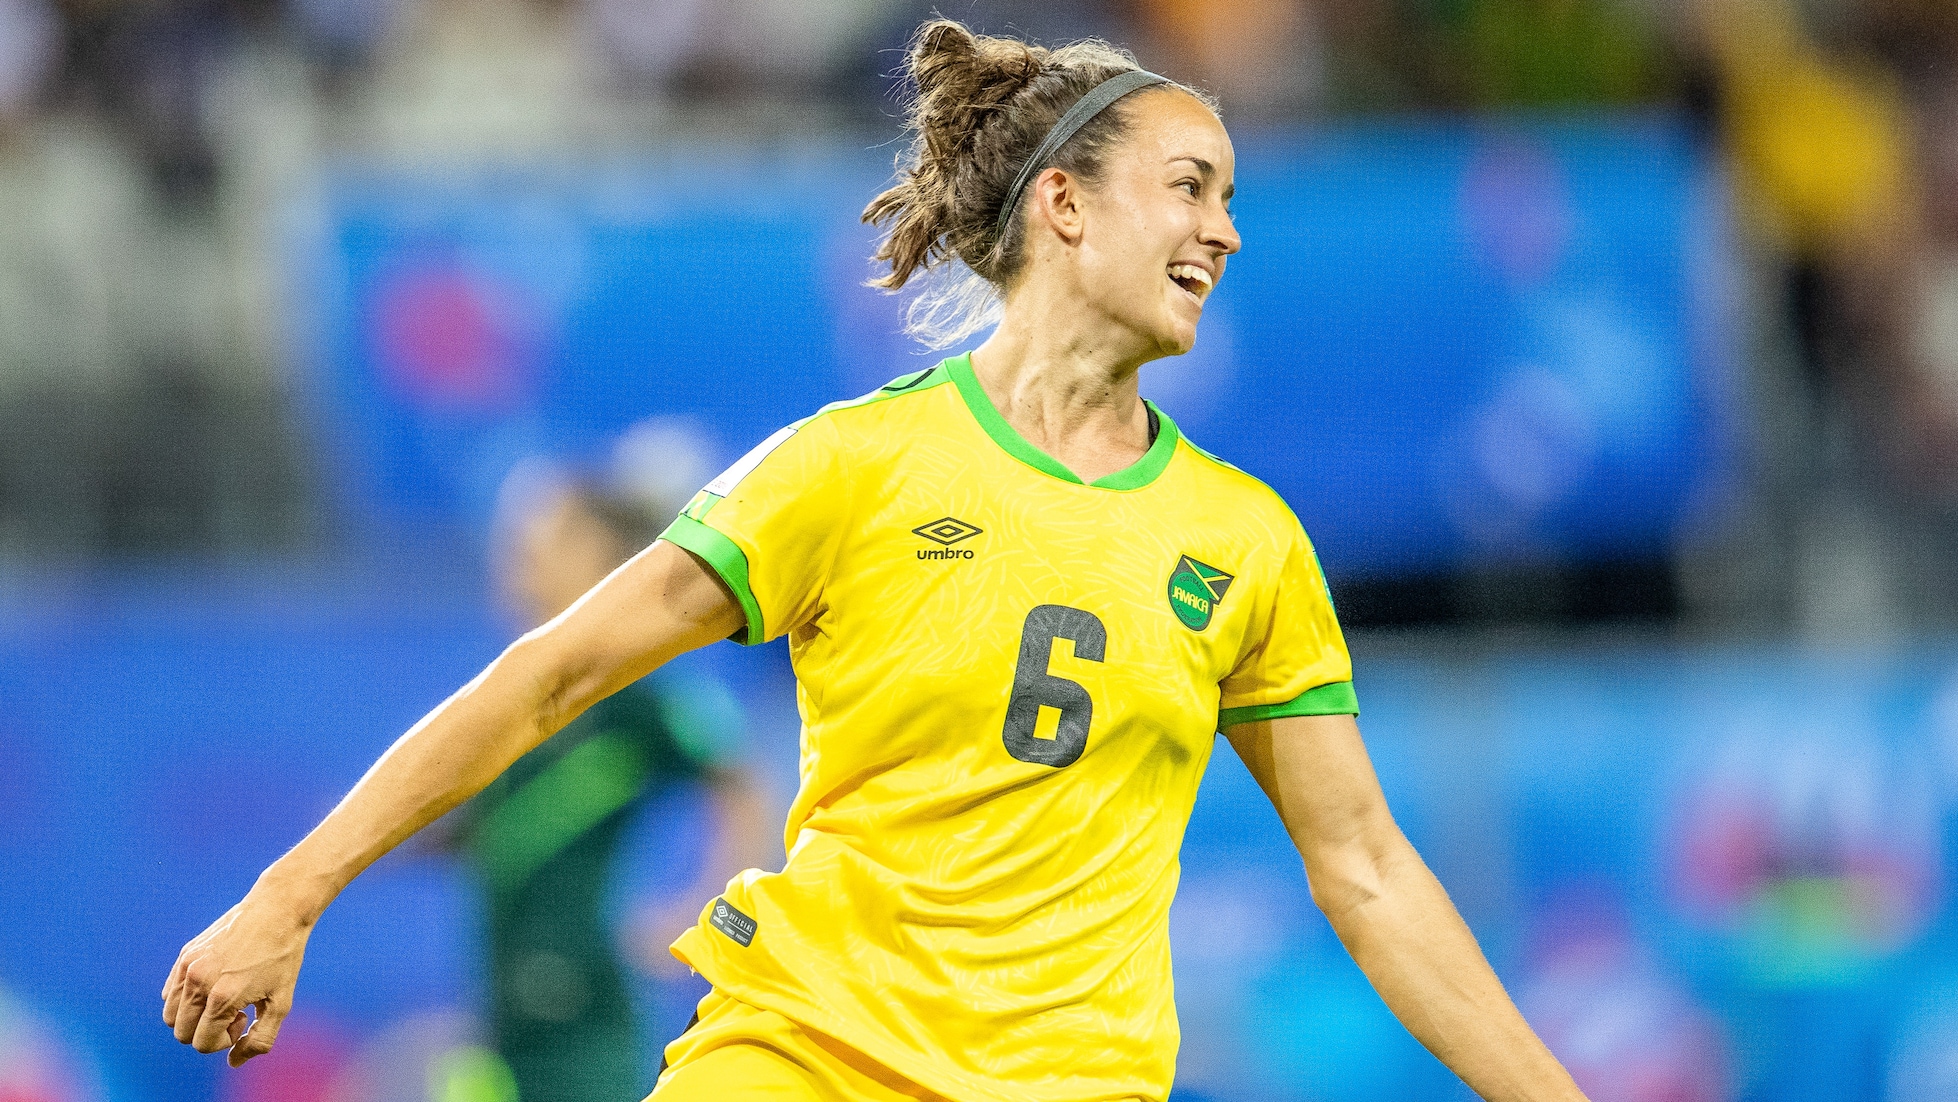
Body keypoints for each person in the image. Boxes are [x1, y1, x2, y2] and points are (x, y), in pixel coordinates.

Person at [163, 19, 1590, 1102]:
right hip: (803, 1056)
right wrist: (285, 895)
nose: (1223, 228)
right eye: (1189, 184)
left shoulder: (1245, 539)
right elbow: (549, 678)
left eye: (1229, 197)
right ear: (1064, 206)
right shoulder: (849, 467)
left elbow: (1366, 868)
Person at [462, 468, 767, 1101]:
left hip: (584, 1008)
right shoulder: (510, 703)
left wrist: (702, 913)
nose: (513, 572)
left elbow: (738, 786)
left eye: (531, 551)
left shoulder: (638, 697)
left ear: (595, 556)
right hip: (501, 1008)